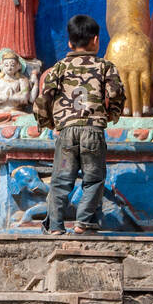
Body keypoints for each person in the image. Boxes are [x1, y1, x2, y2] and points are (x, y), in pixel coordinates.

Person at [32, 14, 125, 235]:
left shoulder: (59, 67)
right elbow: (116, 93)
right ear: (95, 40)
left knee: (61, 179)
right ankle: (83, 222)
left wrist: (48, 123)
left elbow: (44, 98)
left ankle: (55, 226)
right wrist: (112, 114)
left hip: (66, 132)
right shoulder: (105, 66)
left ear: (69, 43)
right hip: (93, 130)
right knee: (93, 179)